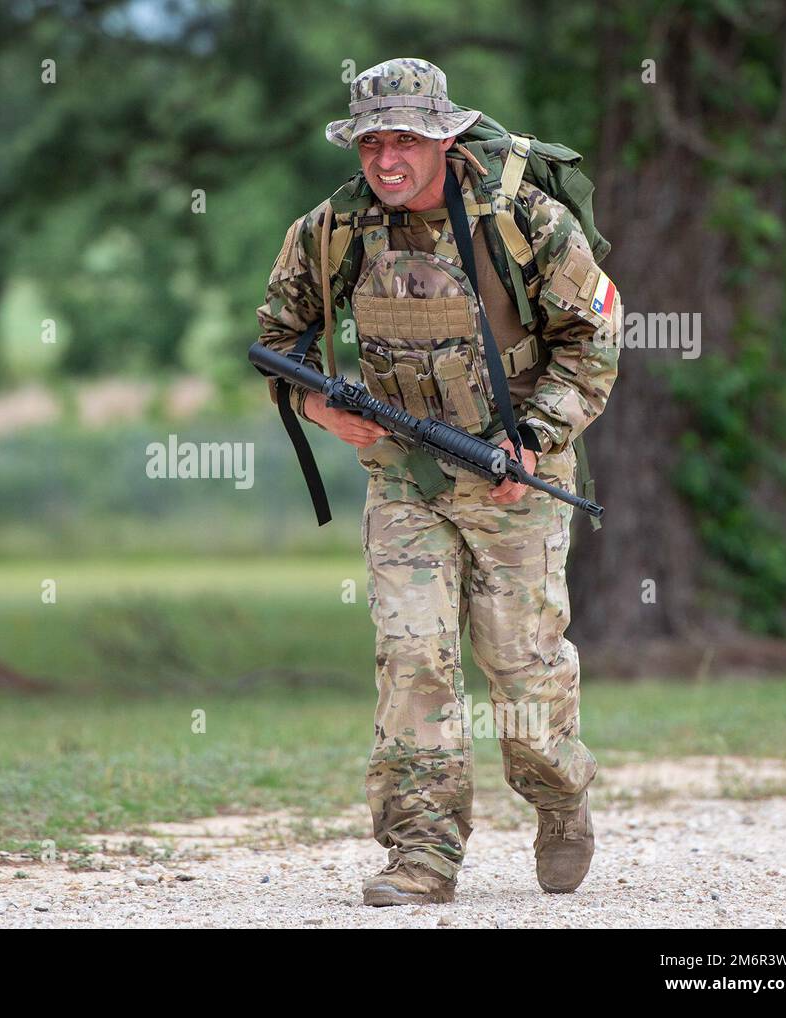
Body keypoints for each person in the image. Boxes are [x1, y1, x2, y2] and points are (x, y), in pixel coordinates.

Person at [255, 58, 621, 906]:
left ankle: (561, 798)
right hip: (404, 481)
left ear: (445, 137)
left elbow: (594, 339)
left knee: (521, 670)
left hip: (514, 481)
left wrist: (533, 438)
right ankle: (421, 854)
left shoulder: (521, 216)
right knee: (412, 657)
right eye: (373, 141)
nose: (388, 159)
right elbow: (281, 335)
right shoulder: (331, 230)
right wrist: (320, 410)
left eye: (407, 140)